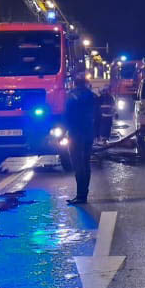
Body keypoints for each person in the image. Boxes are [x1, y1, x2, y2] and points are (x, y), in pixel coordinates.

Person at [64, 73, 97, 204]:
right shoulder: (92, 96)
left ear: (74, 83)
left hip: (75, 134)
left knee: (78, 165)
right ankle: (84, 194)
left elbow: (66, 116)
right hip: (88, 133)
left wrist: (63, 132)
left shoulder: (71, 96)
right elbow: (97, 114)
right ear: (86, 83)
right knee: (86, 163)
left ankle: (80, 196)